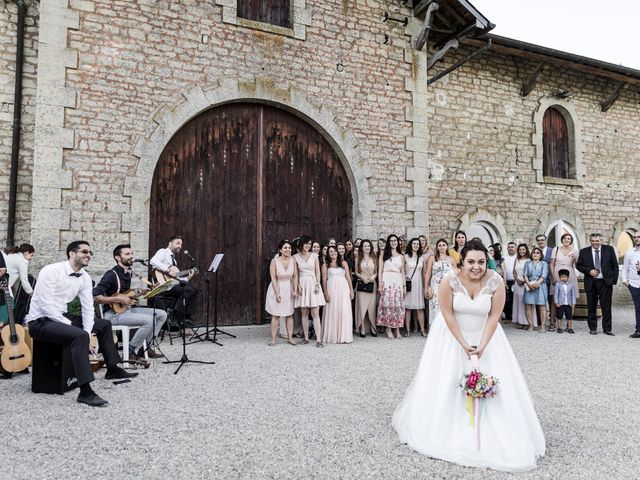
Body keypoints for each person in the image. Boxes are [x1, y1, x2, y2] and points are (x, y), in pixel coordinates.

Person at [393, 239, 545, 471]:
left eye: (482, 262)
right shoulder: (449, 281)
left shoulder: (496, 282)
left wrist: (482, 345)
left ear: (487, 262)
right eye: (471, 261)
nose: (476, 266)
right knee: (447, 382)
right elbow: (446, 314)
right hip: (452, 338)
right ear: (462, 261)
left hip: (486, 337)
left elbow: (494, 316)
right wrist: (463, 343)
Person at [25, 241, 137, 407]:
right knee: (78, 336)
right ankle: (85, 391)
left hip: (62, 316)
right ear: (71, 254)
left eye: (90, 253)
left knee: (104, 324)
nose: (88, 255)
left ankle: (112, 369)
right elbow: (45, 305)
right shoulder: (50, 271)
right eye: (84, 251)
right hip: (40, 320)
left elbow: (87, 308)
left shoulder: (84, 277)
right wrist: (79, 331)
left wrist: (88, 330)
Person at [93, 244, 166, 359]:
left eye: (132, 253)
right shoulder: (111, 275)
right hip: (112, 315)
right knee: (149, 320)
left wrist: (144, 291)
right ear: (118, 258)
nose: (131, 256)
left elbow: (127, 293)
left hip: (126, 310)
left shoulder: (129, 272)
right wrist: (118, 299)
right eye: (127, 254)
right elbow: (96, 296)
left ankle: (146, 347)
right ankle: (130, 350)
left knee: (162, 314)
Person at [149, 235, 198, 326]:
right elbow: (153, 261)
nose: (180, 246)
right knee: (190, 290)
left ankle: (183, 318)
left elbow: (176, 278)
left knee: (193, 290)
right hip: (162, 286)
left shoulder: (174, 261)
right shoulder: (163, 252)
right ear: (170, 243)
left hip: (171, 285)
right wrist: (167, 270)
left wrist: (188, 278)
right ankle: (177, 316)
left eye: (181, 244)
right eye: (178, 243)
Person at [576, 233, 619, 335]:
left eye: (597, 241)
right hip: (591, 282)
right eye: (593, 241)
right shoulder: (584, 252)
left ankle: (607, 329)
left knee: (606, 307)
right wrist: (589, 271)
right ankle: (593, 328)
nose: (595, 243)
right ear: (590, 241)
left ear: (601, 241)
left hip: (605, 283)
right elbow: (579, 266)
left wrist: (613, 281)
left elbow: (615, 266)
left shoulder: (609, 249)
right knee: (591, 306)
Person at [293, 236, 325, 347]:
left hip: (313, 284)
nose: (308, 246)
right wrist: (297, 286)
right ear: (301, 244)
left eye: (309, 244)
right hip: (302, 285)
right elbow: (295, 274)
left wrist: (317, 284)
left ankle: (319, 339)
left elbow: (317, 271)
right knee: (304, 313)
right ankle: (306, 338)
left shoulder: (315, 256)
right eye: (306, 243)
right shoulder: (295, 257)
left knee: (315, 312)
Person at [265, 239, 298, 346]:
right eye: (285, 248)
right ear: (280, 250)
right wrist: (277, 292)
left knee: (289, 314)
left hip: (288, 287)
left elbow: (295, 275)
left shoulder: (293, 260)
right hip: (277, 287)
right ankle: (273, 339)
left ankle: (290, 338)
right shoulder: (274, 261)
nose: (288, 249)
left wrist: (295, 289)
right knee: (276, 314)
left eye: (289, 248)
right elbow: (273, 277)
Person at [321, 245, 354, 344]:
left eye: (334, 251)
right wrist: (326, 293)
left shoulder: (343, 263)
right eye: (330, 252)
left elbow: (348, 277)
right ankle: (333, 336)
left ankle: (344, 336)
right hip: (332, 289)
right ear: (328, 254)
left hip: (343, 289)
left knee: (344, 310)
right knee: (333, 310)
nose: (333, 253)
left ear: (337, 252)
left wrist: (351, 290)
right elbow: (323, 280)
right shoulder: (325, 265)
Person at [376, 234, 406, 339]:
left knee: (397, 305)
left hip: (397, 280)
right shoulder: (384, 254)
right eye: (391, 241)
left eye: (395, 240)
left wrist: (404, 286)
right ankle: (388, 328)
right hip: (386, 280)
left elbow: (403, 272)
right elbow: (379, 271)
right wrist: (380, 285)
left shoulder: (401, 256)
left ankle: (397, 329)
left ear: (398, 242)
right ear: (389, 242)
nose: (393, 242)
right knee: (388, 305)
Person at [424, 239, 456, 323]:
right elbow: (428, 273)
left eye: (443, 245)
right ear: (437, 247)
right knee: (435, 306)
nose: (442, 247)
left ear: (447, 247)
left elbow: (455, 275)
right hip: (435, 285)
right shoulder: (432, 258)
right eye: (440, 245)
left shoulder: (451, 259)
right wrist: (426, 287)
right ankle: (434, 328)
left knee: (447, 306)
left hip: (448, 286)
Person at [549, 233, 579, 311]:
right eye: (565, 238)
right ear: (562, 239)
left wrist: (575, 258)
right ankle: (552, 321)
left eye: (569, 238)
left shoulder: (574, 251)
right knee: (555, 296)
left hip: (569, 274)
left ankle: (569, 320)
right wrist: (553, 277)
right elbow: (551, 264)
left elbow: (577, 266)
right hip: (557, 272)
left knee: (570, 295)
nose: (566, 240)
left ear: (571, 241)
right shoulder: (556, 249)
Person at [354, 239, 377, 337]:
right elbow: (356, 272)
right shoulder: (358, 258)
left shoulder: (374, 257)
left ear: (371, 247)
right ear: (362, 248)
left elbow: (377, 271)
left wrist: (373, 277)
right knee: (361, 307)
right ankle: (362, 327)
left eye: (368, 246)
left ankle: (372, 326)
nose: (367, 248)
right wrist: (362, 277)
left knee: (371, 307)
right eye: (365, 246)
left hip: (372, 284)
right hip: (362, 284)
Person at [523, 247, 549, 332]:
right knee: (528, 305)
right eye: (533, 252)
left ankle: (542, 327)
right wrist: (529, 284)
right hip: (529, 285)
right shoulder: (527, 263)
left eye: (538, 252)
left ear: (541, 255)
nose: (535, 254)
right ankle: (530, 325)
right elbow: (525, 275)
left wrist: (536, 284)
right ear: (531, 254)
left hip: (540, 286)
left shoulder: (544, 263)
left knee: (542, 306)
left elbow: (543, 276)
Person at [404, 238, 426, 337]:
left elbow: (424, 274)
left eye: (417, 244)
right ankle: (408, 330)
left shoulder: (422, 258)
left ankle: (422, 330)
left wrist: (425, 286)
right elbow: (403, 271)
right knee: (407, 308)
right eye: (414, 243)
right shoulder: (405, 257)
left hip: (418, 284)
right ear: (410, 245)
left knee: (420, 308)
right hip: (409, 283)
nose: (416, 245)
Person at [622, 232, 640, 338]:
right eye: (635, 237)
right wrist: (625, 280)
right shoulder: (629, 253)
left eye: (639, 237)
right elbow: (625, 268)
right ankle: (638, 330)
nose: (637, 239)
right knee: (638, 307)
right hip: (634, 284)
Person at [535, 234, 554, 327]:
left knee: (551, 301)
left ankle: (552, 321)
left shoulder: (552, 250)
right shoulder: (535, 252)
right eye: (538, 240)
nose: (540, 242)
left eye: (542, 240)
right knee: (539, 300)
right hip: (538, 280)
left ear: (545, 240)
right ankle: (539, 320)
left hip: (550, 279)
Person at [512, 243, 530, 329]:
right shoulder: (516, 259)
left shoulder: (529, 260)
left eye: (523, 249)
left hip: (525, 282)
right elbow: (514, 271)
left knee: (525, 303)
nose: (521, 251)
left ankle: (526, 322)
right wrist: (517, 279)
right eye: (520, 249)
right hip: (517, 282)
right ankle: (519, 321)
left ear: (526, 250)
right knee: (518, 302)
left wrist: (523, 281)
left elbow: (530, 272)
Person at [554, 269, 576, 334]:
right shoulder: (558, 284)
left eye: (565, 277)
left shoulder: (571, 285)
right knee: (559, 316)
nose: (563, 278)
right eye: (562, 277)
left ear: (568, 277)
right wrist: (556, 302)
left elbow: (573, 295)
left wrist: (573, 303)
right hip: (560, 304)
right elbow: (556, 294)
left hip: (568, 304)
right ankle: (559, 328)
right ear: (559, 277)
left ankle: (569, 328)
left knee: (569, 316)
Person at [502, 242, 517, 322]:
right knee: (507, 300)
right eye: (509, 247)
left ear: (515, 248)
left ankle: (515, 316)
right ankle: (508, 316)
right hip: (506, 281)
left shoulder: (517, 257)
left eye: (512, 247)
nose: (510, 248)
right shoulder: (503, 258)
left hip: (516, 281)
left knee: (515, 299)